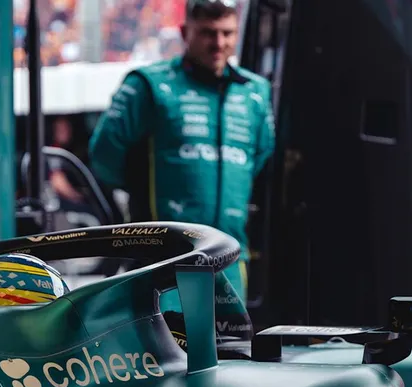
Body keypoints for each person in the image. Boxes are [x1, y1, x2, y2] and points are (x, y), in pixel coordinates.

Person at [88, 0, 275, 331]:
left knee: (233, 366)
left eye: (227, 33)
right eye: (207, 33)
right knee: (165, 368)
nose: (219, 43)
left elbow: (259, 157)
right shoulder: (147, 85)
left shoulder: (255, 92)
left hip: (230, 261)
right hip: (162, 260)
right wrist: (141, 194)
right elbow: (104, 155)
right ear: (185, 31)